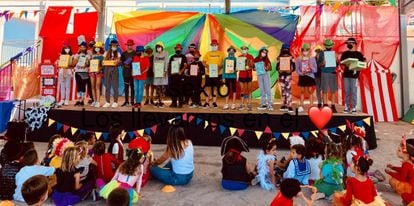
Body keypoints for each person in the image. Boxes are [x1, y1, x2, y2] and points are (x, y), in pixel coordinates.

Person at [386, 136, 414, 205]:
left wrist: (390, 172)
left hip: (410, 188)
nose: (397, 151)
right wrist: (393, 167)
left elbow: (402, 177)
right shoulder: (410, 162)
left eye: (399, 150)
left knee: (392, 180)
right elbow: (404, 171)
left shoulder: (406, 164)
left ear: (406, 155)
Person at [340, 37, 366, 113]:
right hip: (346, 75)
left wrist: (364, 62)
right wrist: (347, 64)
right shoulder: (345, 53)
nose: (349, 44)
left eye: (350, 43)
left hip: (355, 76)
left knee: (354, 91)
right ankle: (347, 106)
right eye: (348, 43)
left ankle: (354, 107)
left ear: (354, 44)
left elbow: (363, 62)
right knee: (347, 91)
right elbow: (341, 62)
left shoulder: (359, 54)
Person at [202, 39, 225, 109]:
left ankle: (214, 102)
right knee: (208, 88)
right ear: (211, 46)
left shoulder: (221, 53)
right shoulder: (208, 53)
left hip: (217, 73)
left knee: (215, 87)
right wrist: (207, 67)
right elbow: (203, 62)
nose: (214, 46)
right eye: (212, 45)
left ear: (217, 45)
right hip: (208, 73)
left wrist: (220, 66)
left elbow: (224, 62)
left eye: (215, 45)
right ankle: (207, 102)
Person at [296, 43, 317, 112]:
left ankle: (311, 107)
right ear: (301, 51)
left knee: (310, 91)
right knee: (302, 91)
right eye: (303, 50)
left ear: (309, 50)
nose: (305, 51)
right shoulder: (299, 59)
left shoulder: (312, 59)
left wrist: (311, 68)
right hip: (302, 76)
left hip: (310, 76)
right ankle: (301, 106)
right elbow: (297, 69)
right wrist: (300, 73)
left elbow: (315, 69)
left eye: (307, 50)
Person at [318, 39, 338, 113]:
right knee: (324, 89)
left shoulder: (334, 53)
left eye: (330, 46)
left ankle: (333, 105)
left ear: (332, 46)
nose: (329, 47)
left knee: (333, 90)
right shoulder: (321, 53)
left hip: (332, 72)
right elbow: (318, 64)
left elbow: (337, 65)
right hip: (324, 72)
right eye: (327, 46)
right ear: (325, 46)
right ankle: (325, 104)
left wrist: (336, 60)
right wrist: (322, 63)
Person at [276, 44, 295, 113]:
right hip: (281, 76)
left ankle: (289, 105)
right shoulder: (278, 58)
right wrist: (279, 70)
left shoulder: (291, 57)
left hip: (288, 76)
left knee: (288, 90)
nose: (285, 50)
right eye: (284, 49)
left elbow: (294, 67)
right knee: (283, 90)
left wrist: (290, 70)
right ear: (282, 50)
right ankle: (284, 104)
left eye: (286, 49)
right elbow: (276, 67)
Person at [102, 40, 121, 108]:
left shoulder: (118, 53)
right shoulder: (106, 53)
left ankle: (115, 102)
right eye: (113, 46)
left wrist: (117, 62)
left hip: (115, 69)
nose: (114, 47)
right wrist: (104, 62)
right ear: (110, 46)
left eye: (115, 46)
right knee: (107, 85)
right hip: (107, 69)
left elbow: (118, 61)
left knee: (115, 86)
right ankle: (107, 101)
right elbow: (103, 61)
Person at [168, 44, 187, 108]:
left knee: (180, 89)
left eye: (179, 48)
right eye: (177, 48)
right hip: (173, 76)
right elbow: (170, 65)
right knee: (173, 89)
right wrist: (171, 73)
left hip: (180, 76)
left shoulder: (183, 57)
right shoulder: (172, 57)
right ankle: (174, 103)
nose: (178, 49)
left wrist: (181, 72)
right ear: (175, 49)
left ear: (181, 49)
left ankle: (180, 103)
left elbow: (185, 65)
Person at [254, 47, 273, 111]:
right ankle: (263, 104)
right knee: (262, 90)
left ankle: (270, 105)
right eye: (263, 52)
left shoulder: (267, 59)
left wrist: (267, 68)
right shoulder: (256, 59)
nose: (264, 53)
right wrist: (254, 68)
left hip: (265, 74)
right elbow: (254, 68)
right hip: (259, 75)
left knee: (268, 89)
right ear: (260, 52)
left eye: (265, 52)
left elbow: (270, 68)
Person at [73, 41, 92, 106]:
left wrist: (86, 63)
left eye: (83, 47)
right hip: (78, 72)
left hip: (84, 72)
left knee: (83, 86)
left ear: (86, 48)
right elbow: (73, 64)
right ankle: (79, 99)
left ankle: (82, 100)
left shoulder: (88, 55)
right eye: (81, 47)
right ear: (79, 48)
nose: (82, 48)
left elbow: (89, 64)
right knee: (79, 86)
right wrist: (77, 59)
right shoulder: (76, 55)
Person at [237, 45, 254, 111]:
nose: (244, 50)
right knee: (242, 90)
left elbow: (253, 66)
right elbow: (238, 67)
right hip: (241, 75)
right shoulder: (239, 57)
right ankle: (242, 104)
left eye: (245, 49)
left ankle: (249, 104)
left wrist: (250, 64)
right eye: (243, 49)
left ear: (247, 49)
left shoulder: (250, 56)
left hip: (249, 75)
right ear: (241, 50)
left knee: (249, 90)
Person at [153, 42, 169, 108]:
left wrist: (165, 71)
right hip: (157, 72)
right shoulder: (155, 54)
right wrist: (154, 71)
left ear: (162, 47)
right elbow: (154, 63)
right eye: (157, 47)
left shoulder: (166, 53)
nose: (158, 48)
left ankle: (161, 101)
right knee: (157, 87)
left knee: (162, 87)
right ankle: (157, 101)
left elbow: (166, 62)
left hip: (163, 72)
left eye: (159, 47)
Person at [120, 39, 136, 107]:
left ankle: (132, 101)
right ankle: (126, 101)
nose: (129, 46)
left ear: (132, 45)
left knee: (132, 87)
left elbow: (137, 63)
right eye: (128, 45)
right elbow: (121, 62)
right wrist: (124, 65)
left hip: (133, 72)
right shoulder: (123, 53)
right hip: (126, 72)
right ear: (127, 45)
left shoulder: (135, 53)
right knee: (126, 87)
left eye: (131, 45)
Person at [89, 41, 105, 108]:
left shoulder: (103, 56)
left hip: (99, 72)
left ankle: (98, 101)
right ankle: (94, 101)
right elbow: (90, 64)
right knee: (92, 86)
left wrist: (100, 69)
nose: (97, 49)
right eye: (96, 47)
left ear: (101, 48)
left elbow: (103, 65)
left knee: (97, 86)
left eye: (98, 47)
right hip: (92, 72)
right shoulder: (92, 56)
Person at [222, 46, 238, 110]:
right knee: (227, 90)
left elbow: (237, 68)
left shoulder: (236, 59)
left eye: (232, 51)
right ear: (228, 51)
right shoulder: (225, 59)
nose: (231, 52)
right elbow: (223, 69)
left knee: (234, 90)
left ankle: (233, 104)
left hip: (233, 76)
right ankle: (226, 104)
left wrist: (236, 69)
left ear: (234, 52)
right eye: (230, 51)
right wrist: (223, 77)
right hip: (227, 76)